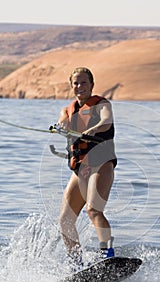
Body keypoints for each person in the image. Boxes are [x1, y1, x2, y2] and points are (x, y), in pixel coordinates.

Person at [57, 67, 117, 267]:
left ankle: (107, 256)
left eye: (83, 82)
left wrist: (90, 130)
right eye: (75, 83)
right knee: (65, 220)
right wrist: (62, 129)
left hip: (101, 164)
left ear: (92, 85)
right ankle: (76, 264)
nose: (79, 86)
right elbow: (63, 124)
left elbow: (106, 121)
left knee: (93, 210)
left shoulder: (102, 104)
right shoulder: (68, 110)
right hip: (81, 168)